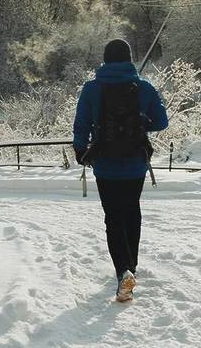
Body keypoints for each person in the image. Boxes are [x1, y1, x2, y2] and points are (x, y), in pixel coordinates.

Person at [72, 38, 169, 302]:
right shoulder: (144, 87)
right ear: (128, 59)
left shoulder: (92, 88)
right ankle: (132, 267)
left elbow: (80, 125)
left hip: (104, 164)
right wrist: (140, 120)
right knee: (132, 212)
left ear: (105, 60)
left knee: (113, 217)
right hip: (135, 163)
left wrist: (81, 151)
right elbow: (162, 122)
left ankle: (123, 270)